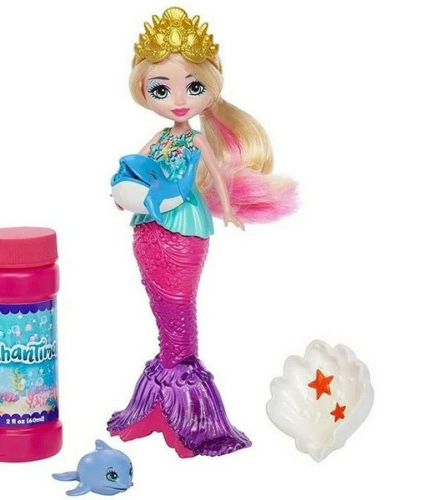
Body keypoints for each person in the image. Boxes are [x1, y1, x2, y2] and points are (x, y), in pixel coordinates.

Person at [108, 7, 295, 458]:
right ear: (143, 91)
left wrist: (227, 210)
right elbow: (132, 167)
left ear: (210, 89)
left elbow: (216, 175)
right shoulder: (160, 138)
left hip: (186, 227)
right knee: (162, 309)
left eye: (193, 87)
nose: (178, 99)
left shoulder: (195, 139)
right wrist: (121, 192)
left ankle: (184, 405)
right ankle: (165, 400)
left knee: (179, 308)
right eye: (161, 89)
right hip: (149, 227)